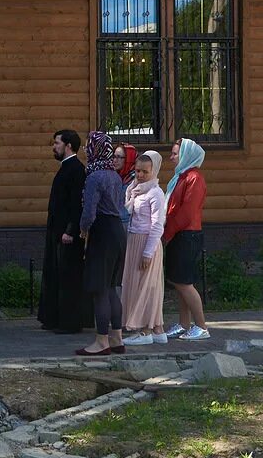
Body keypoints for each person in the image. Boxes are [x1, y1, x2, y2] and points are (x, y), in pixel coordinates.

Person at [76, 132, 128, 357]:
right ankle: (117, 338)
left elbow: (89, 211)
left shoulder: (94, 177)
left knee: (99, 289)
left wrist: (83, 229)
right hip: (118, 231)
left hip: (103, 232)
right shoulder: (114, 175)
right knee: (111, 288)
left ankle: (101, 341)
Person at [37, 129, 90, 335]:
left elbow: (77, 204)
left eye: (57, 143)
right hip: (57, 231)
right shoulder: (66, 168)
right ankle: (53, 318)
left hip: (67, 234)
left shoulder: (76, 169)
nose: (54, 146)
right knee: (55, 274)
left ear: (68, 145)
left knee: (68, 277)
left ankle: (69, 322)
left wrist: (70, 230)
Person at [163, 138, 209, 341]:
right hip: (178, 234)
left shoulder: (194, 178)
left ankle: (201, 326)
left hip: (186, 234)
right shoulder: (181, 177)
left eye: (175, 154)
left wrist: (167, 232)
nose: (171, 158)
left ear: (186, 155)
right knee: (178, 280)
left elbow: (186, 213)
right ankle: (184, 323)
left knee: (184, 282)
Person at [121, 151, 167, 346]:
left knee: (146, 286)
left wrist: (148, 252)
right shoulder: (136, 189)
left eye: (144, 172)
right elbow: (128, 210)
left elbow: (157, 225)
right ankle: (158, 329)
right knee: (137, 284)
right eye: (137, 171)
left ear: (153, 171)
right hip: (134, 240)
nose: (140, 175)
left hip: (147, 242)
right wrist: (131, 193)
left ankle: (145, 330)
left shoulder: (155, 193)